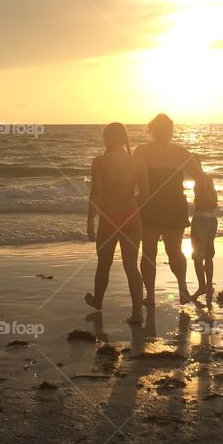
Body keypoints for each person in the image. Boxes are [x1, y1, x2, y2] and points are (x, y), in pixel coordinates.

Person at [134, 113, 207, 307]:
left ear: (151, 130)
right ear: (170, 130)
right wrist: (203, 203)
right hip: (175, 205)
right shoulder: (181, 152)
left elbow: (133, 178)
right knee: (174, 250)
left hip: (150, 205)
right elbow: (200, 177)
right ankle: (182, 289)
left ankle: (150, 296)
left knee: (149, 251)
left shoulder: (142, 151)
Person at [85, 123, 150, 324]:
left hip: (109, 219)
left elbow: (96, 193)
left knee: (104, 264)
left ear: (107, 138)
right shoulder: (138, 163)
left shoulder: (100, 162)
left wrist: (90, 220)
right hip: (131, 216)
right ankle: (138, 313)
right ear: (124, 139)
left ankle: (98, 301)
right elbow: (146, 195)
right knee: (131, 267)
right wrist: (132, 206)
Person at [190, 174, 219, 310]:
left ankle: (202, 286)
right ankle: (208, 285)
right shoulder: (209, 180)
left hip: (200, 219)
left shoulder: (199, 182)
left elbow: (203, 203)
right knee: (208, 254)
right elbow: (214, 202)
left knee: (197, 256)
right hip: (212, 220)